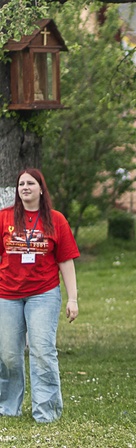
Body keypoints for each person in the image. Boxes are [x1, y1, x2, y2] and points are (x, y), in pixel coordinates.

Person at [0, 168, 79, 423]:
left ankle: (46, 411)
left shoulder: (56, 220)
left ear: (41, 189)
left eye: (30, 183)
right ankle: (8, 407)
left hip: (43, 294)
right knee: (8, 354)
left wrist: (73, 298)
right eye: (21, 184)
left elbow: (65, 260)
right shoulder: (4, 218)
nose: (25, 187)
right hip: (7, 294)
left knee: (42, 351)